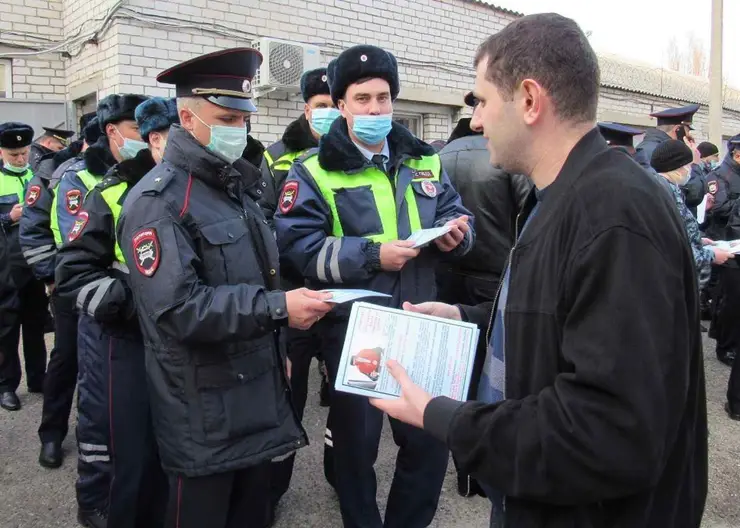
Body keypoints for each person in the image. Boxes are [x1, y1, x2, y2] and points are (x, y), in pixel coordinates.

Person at [372, 14, 708, 528]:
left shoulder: (613, 213)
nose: (477, 121)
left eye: (482, 101)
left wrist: (445, 417)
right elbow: (563, 324)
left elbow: (608, 430)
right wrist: (469, 318)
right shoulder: (564, 194)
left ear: (529, 101)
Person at [116, 48, 333, 528]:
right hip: (204, 410)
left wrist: (279, 347)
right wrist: (279, 309)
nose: (239, 128)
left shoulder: (234, 189)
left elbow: (252, 277)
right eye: (227, 117)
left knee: (253, 514)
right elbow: (178, 310)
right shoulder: (158, 202)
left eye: (244, 118)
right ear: (185, 116)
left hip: (255, 393)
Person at [275, 45, 474, 528]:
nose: (375, 109)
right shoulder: (312, 170)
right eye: (362, 99)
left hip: (421, 322)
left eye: (383, 98)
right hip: (357, 331)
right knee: (354, 449)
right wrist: (371, 254)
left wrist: (457, 235)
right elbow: (299, 248)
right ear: (341, 105)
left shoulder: (425, 161)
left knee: (429, 444)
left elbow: (457, 214)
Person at [56, 96, 178, 528]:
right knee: (124, 445)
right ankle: (100, 503)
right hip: (123, 340)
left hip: (186, 344)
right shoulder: (110, 192)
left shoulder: (200, 190)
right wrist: (132, 304)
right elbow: (73, 273)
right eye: (160, 136)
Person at [436, 91, 530, 500]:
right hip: (494, 275)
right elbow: (528, 221)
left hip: (446, 272)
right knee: (489, 370)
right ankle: (477, 465)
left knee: (452, 365)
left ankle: (457, 455)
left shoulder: (439, 157)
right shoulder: (509, 158)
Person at [261, 67, 340, 506]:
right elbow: (263, 223)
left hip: (342, 296)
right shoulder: (276, 157)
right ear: (307, 108)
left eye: (334, 105)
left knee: (347, 399)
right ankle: (274, 490)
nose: (328, 113)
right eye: (321, 106)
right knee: (290, 396)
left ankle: (341, 474)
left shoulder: (354, 156)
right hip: (294, 296)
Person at [21, 116, 104, 469]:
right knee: (66, 359)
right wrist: (50, 278)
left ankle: (94, 434)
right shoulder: (55, 174)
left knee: (100, 366)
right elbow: (34, 231)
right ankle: (51, 433)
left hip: (108, 288)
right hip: (69, 288)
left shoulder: (125, 172)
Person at [0, 121, 48, 412]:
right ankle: (6, 386)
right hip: (6, 266)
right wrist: (8, 218)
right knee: (6, 328)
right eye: (14, 154)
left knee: (35, 324)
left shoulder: (35, 175)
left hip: (34, 263)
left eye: (24, 152)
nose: (20, 159)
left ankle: (38, 377)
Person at [650, 139, 733, 289]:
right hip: (677, 285)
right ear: (678, 168)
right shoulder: (666, 193)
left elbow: (682, 232)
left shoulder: (662, 188)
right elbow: (675, 247)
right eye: (688, 165)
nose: (689, 170)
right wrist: (713, 256)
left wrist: (699, 240)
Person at [635, 104, 705, 214]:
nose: (689, 136)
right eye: (687, 131)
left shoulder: (645, 148)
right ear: (678, 130)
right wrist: (694, 164)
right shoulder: (665, 154)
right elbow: (692, 196)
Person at [709, 134, 740, 366]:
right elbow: (719, 208)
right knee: (728, 299)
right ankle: (725, 346)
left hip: (734, 242)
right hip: (725, 243)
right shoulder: (721, 175)